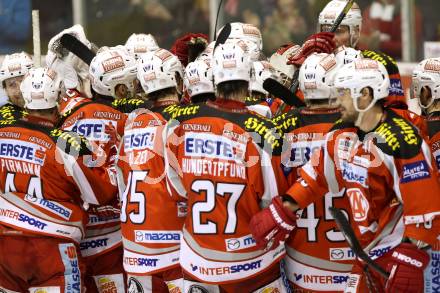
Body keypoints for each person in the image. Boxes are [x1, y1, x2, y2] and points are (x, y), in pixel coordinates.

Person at [250, 58, 440, 292]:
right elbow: (317, 176)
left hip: (395, 257)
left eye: (344, 93)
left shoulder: (403, 141)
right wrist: (285, 207)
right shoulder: (341, 133)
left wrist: (410, 256)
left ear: (366, 95)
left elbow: (425, 208)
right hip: (365, 256)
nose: (338, 100)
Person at [165, 42, 288, 292]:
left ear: (214, 79)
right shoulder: (262, 129)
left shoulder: (179, 123)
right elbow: (274, 200)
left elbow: (176, 190)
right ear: (248, 79)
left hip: (197, 262)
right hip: (252, 264)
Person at [0, 67, 115, 292]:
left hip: (4, 245)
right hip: (50, 246)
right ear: (59, 97)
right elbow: (102, 193)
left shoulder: (2, 133)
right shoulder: (67, 142)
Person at [274, 52, 352, 292]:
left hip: (301, 262)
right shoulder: (361, 128)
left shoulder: (279, 130)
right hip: (353, 261)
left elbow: (270, 195)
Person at [117, 48, 185, 292]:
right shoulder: (177, 123)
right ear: (177, 80)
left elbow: (121, 185)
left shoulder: (132, 126)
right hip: (172, 243)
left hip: (135, 245)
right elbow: (185, 186)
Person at [0, 52, 33, 119]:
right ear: (5, 90)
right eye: (12, 84)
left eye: (24, 81)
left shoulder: (55, 111)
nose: (20, 89)